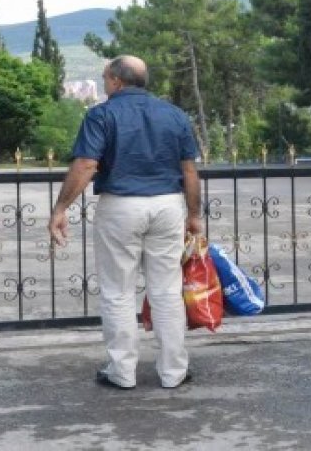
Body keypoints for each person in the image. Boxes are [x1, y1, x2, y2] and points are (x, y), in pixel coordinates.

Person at [48, 55, 203, 390]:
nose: (104, 83)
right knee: (166, 290)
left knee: (118, 291)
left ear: (117, 81)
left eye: (105, 77)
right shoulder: (175, 115)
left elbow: (87, 164)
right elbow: (189, 170)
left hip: (121, 206)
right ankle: (174, 371)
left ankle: (122, 372)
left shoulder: (101, 115)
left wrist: (61, 208)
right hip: (168, 205)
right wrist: (193, 215)